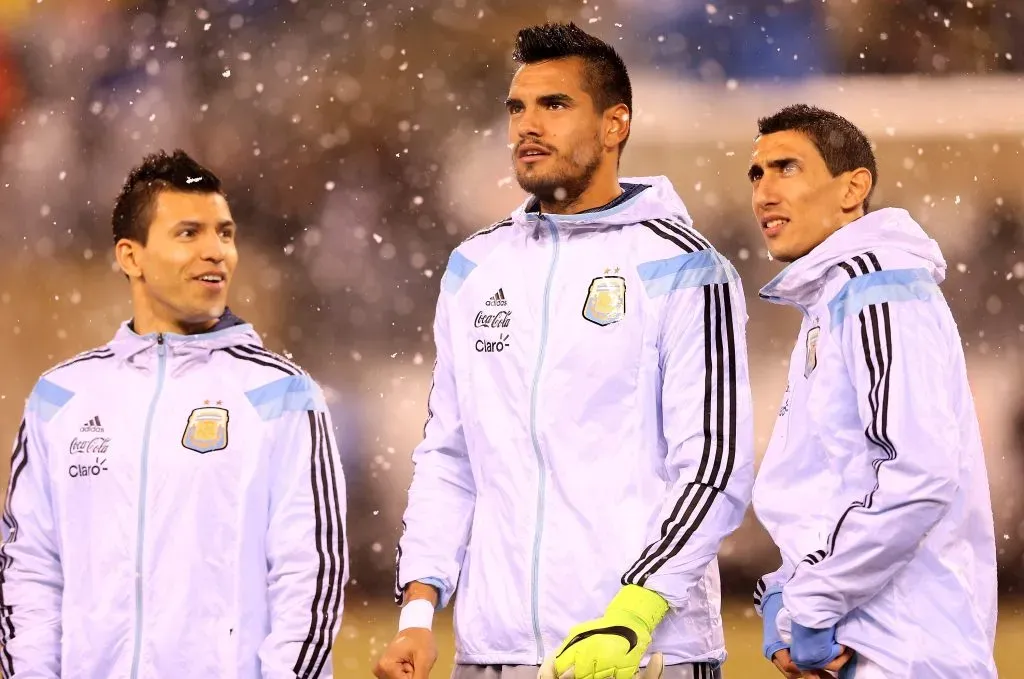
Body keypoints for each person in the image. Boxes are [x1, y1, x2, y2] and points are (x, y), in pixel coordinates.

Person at [373, 22, 754, 679]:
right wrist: (418, 612)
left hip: (640, 653)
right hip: (492, 656)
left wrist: (633, 613)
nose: (527, 125)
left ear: (614, 126)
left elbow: (713, 464)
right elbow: (450, 454)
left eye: (554, 105)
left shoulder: (684, 267)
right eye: (517, 108)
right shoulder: (476, 266)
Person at [0, 150, 349, 678]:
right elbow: (28, 572)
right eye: (189, 233)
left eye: (225, 234)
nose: (217, 252)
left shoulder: (278, 394)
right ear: (130, 257)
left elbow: (310, 577)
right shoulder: (61, 398)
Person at [746, 104, 998, 679]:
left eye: (786, 168)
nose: (763, 192)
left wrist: (811, 604)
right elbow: (830, 481)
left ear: (853, 187)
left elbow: (918, 473)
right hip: (865, 642)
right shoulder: (833, 298)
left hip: (904, 649)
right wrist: (785, 595)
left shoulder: (876, 287)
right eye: (756, 175)